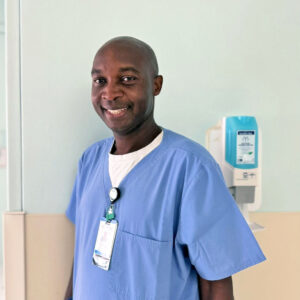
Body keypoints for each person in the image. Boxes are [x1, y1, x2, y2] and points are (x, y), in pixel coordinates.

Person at [64, 36, 265, 300]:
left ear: (156, 85)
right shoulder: (90, 161)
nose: (110, 93)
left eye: (127, 79)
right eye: (100, 80)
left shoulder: (191, 168)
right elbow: (82, 257)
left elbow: (215, 282)